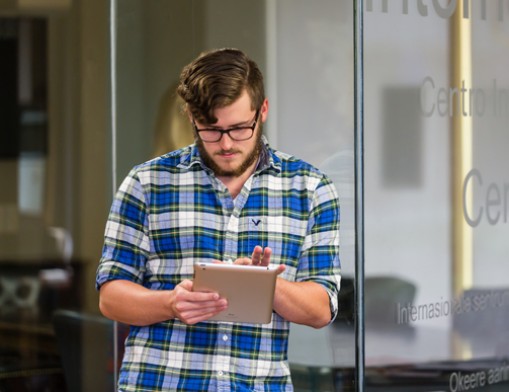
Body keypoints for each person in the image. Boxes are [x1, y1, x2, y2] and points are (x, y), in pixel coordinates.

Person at [96, 48, 341, 391]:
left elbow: (322, 309)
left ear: (263, 111)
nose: (226, 144)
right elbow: (110, 296)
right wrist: (170, 303)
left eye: (240, 128)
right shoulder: (146, 183)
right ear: (191, 117)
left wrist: (266, 285)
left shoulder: (310, 188)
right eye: (211, 129)